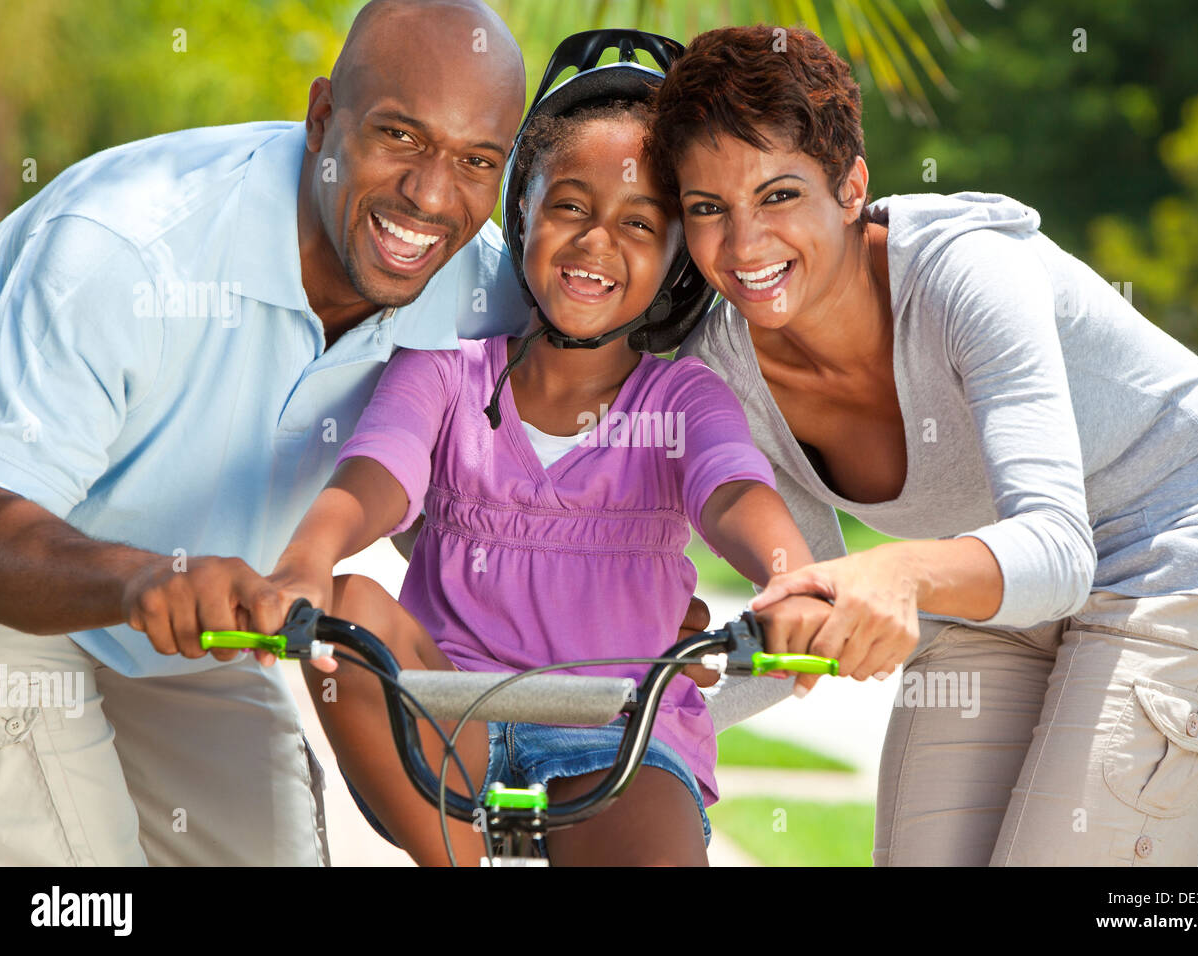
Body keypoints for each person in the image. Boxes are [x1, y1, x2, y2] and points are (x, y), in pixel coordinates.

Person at [648, 25, 1198, 865]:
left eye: (779, 195)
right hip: (993, 578)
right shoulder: (723, 374)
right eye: (707, 209)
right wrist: (649, 708)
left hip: (1179, 537)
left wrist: (898, 569)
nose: (745, 245)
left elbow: (1057, 549)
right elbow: (804, 623)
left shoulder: (967, 274)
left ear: (850, 187)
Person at [0, 0, 532, 865]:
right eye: (399, 137)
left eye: (475, 161)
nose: (431, 195)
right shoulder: (125, 250)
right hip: (6, 619)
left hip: (191, 642)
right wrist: (138, 581)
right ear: (323, 119)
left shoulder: (483, 293)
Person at [262, 39, 832, 866]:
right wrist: (306, 559)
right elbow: (379, 471)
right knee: (347, 605)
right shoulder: (445, 370)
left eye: (639, 223)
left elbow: (732, 490)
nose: (597, 242)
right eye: (569, 206)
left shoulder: (680, 399)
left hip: (620, 729)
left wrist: (790, 574)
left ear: (678, 259)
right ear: (520, 213)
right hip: (451, 707)